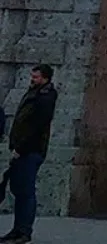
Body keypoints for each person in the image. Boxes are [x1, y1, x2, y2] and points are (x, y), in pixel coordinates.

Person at [5, 64, 57, 244]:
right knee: (18, 190)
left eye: (36, 77)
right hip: (23, 149)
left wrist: (20, 148)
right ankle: (17, 229)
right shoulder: (34, 92)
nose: (32, 79)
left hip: (30, 151)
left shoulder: (45, 97)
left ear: (45, 78)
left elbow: (36, 127)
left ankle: (24, 231)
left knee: (25, 192)